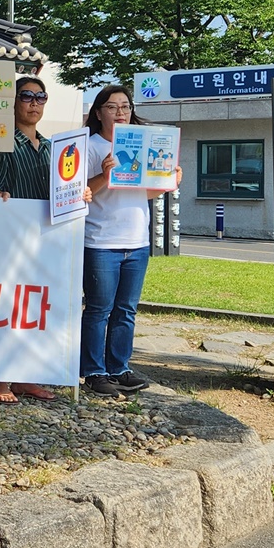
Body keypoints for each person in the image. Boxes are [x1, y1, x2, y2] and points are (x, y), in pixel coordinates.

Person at [81, 85, 181, 397]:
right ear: (99, 113)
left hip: (137, 240)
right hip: (100, 241)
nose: (120, 112)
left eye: (125, 106)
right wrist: (103, 174)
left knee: (126, 309)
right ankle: (94, 371)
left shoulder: (142, 144)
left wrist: (169, 180)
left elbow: (147, 192)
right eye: (112, 107)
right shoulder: (90, 146)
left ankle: (119, 367)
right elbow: (79, 191)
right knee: (99, 309)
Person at [0, 76, 74, 405]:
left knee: (36, 307)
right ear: (12, 101)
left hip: (46, 239)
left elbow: (64, 191)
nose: (34, 103)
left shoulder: (53, 148)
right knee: (8, 307)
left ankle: (27, 377)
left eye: (41, 97)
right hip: (10, 240)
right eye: (27, 96)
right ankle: (0, 379)